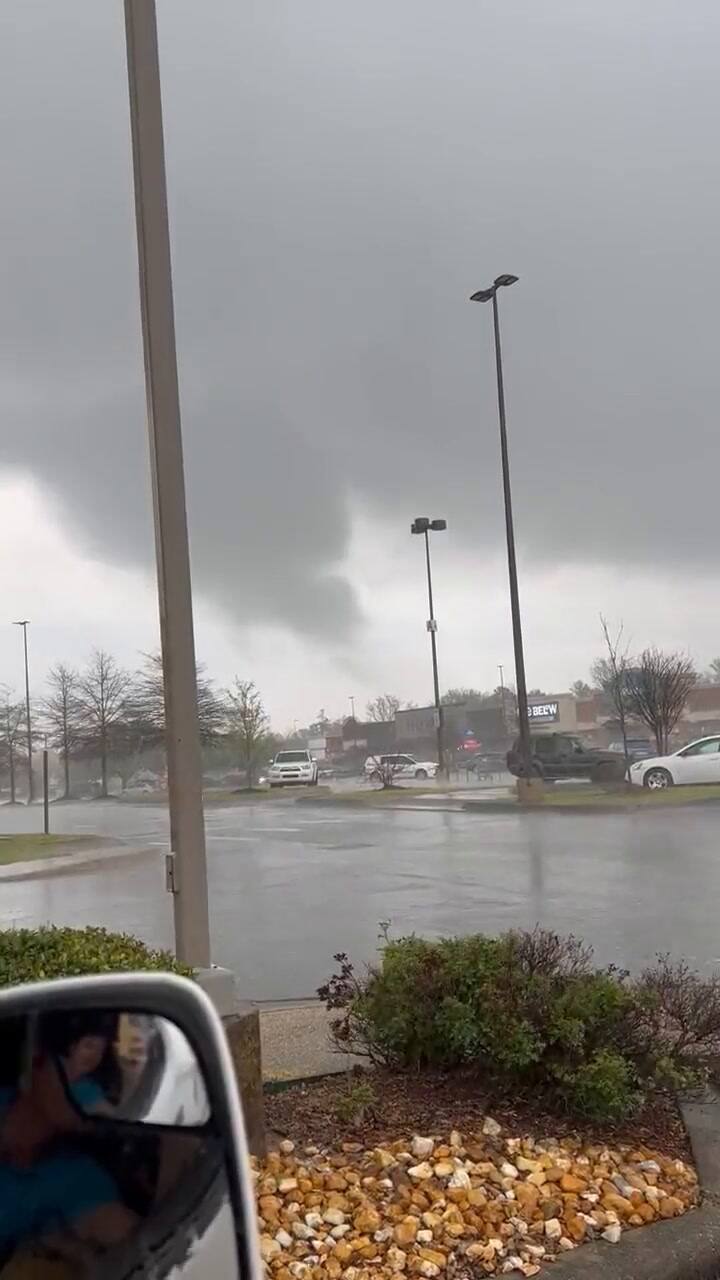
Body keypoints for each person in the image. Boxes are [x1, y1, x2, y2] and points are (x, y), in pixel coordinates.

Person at [0, 1014, 137, 1258]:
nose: (85, 1068)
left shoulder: (79, 1179)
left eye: (100, 1053)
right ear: (34, 1061)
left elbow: (133, 1244)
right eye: (82, 1048)